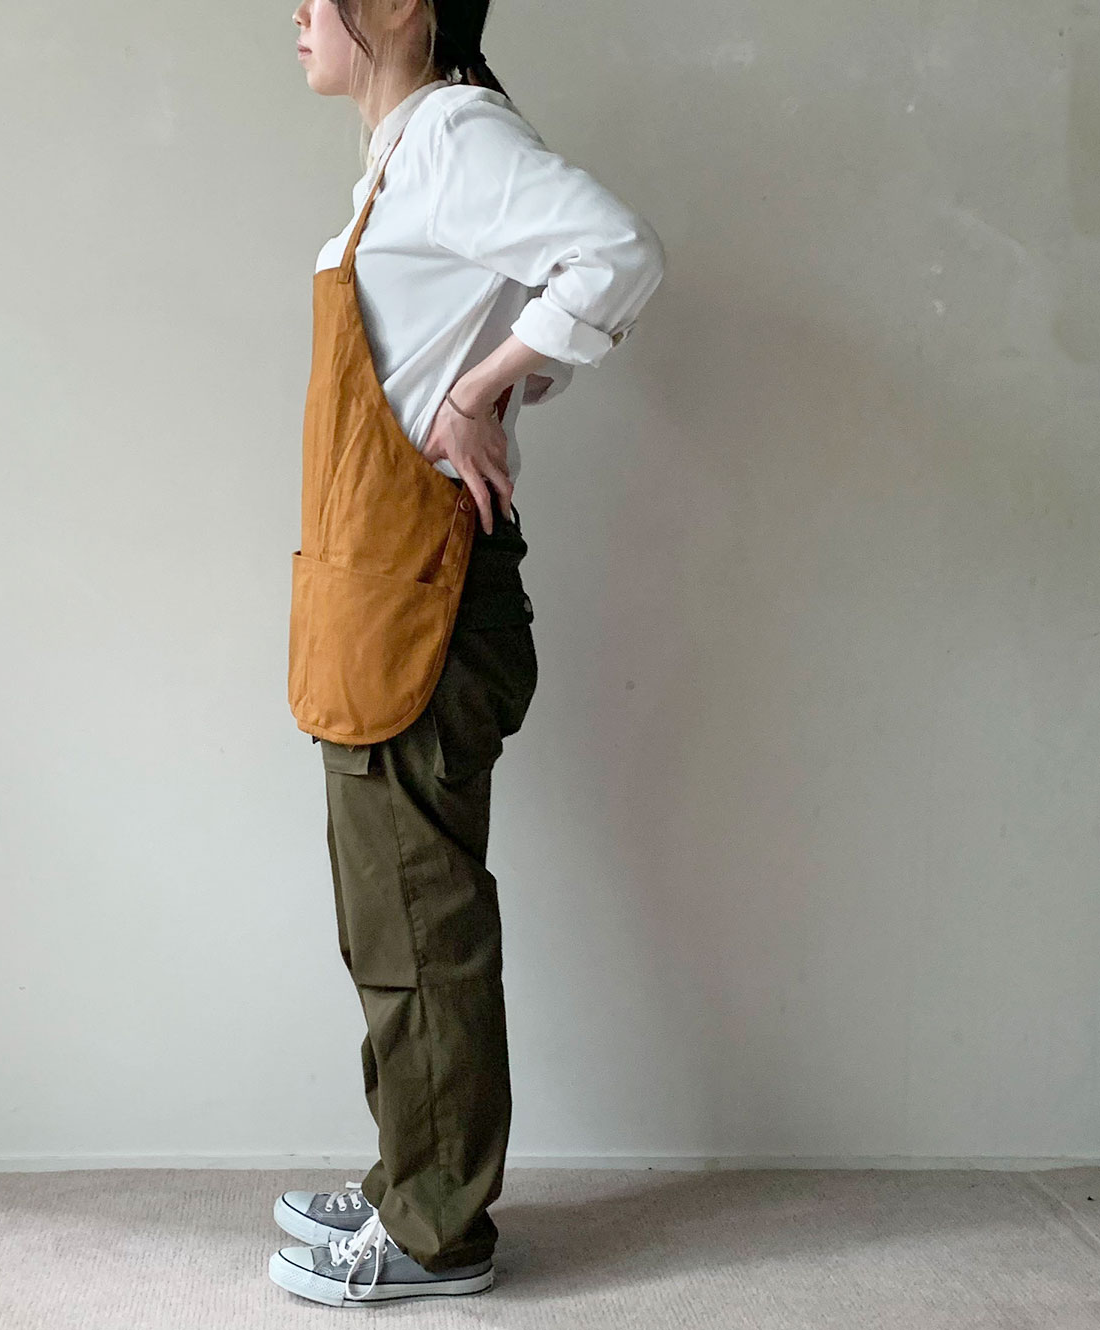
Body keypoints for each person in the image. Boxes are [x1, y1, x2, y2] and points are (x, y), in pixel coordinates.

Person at [270, 0, 666, 1307]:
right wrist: (493, 375)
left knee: (419, 924)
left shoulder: (449, 135)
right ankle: (410, 1179)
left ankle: (438, 1232)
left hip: (421, 596)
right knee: (388, 916)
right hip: (381, 588)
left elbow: (617, 252)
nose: (296, 13)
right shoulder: (405, 158)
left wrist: (484, 385)